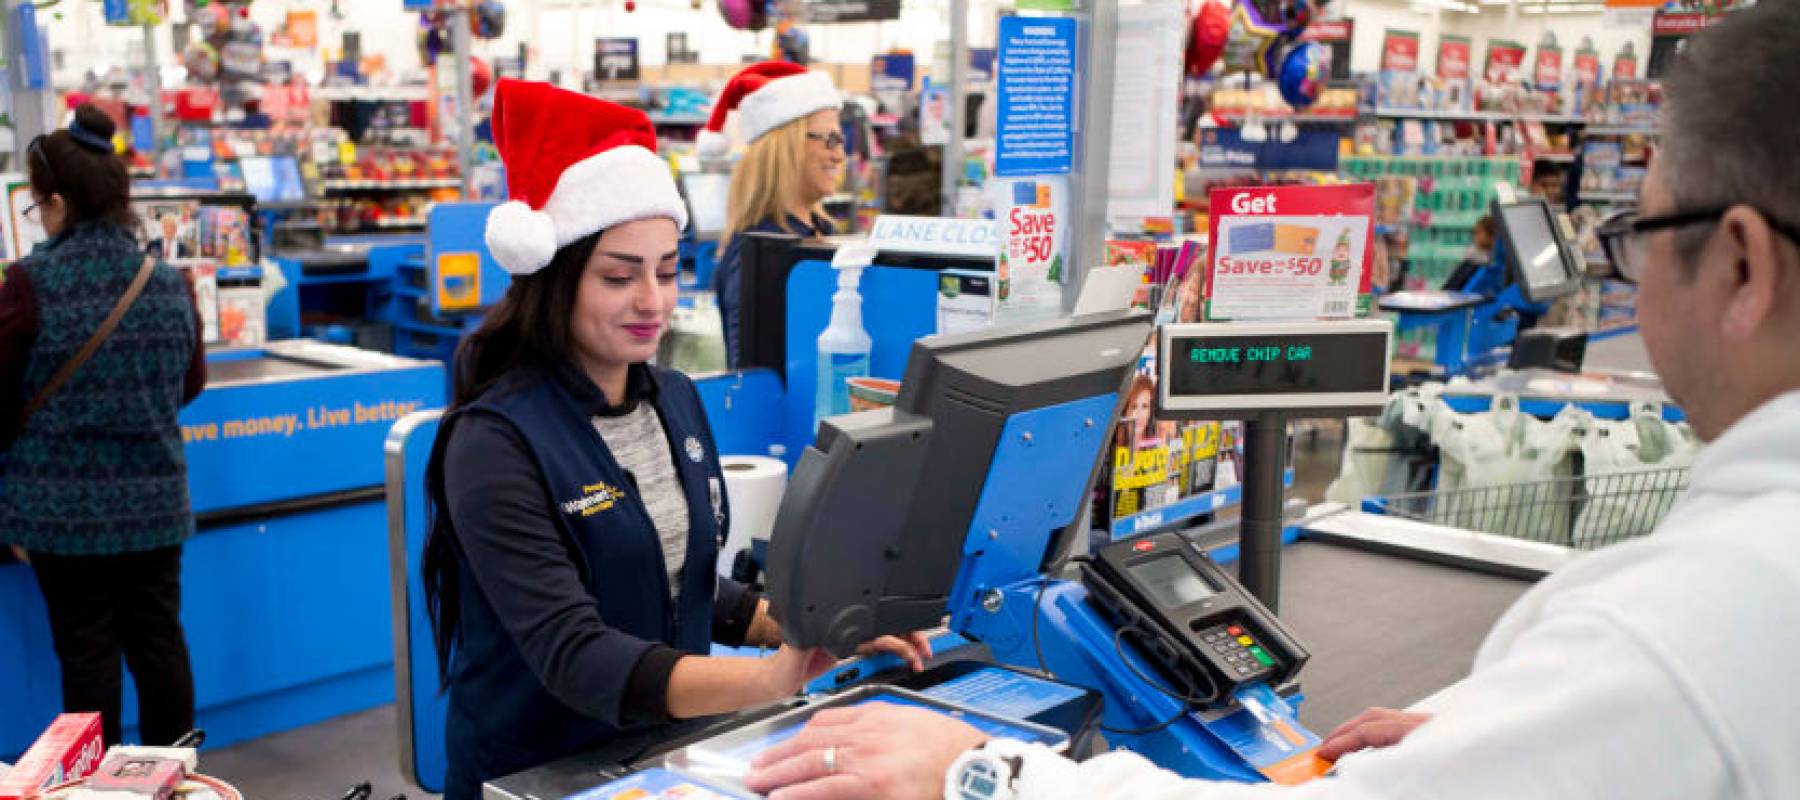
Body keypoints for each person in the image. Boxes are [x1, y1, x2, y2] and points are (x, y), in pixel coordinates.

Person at [742, 5, 1800, 797]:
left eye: (1635, 233)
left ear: (1743, 264)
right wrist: (1476, 735)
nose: (1628, 276)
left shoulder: (1679, 631)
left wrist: (978, 770)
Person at [423, 80, 928, 800]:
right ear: (554, 279)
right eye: (618, 276)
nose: (653, 301)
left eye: (666, 271)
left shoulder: (675, 399)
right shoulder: (493, 443)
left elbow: (678, 580)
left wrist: (811, 630)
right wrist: (768, 679)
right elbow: (578, 655)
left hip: (668, 759)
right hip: (538, 775)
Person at [0, 104, 206, 747]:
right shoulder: (169, 281)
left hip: (64, 513)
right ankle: (179, 782)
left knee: (87, 659)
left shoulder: (29, 284)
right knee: (160, 647)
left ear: (57, 202)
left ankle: (96, 791)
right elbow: (189, 384)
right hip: (155, 503)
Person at [697, 61, 846, 367]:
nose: (839, 154)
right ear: (784, 148)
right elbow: (751, 374)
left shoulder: (818, 231)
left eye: (841, 140)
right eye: (829, 139)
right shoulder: (759, 251)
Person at [1442, 215, 1496, 292]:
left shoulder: (1478, 262)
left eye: (1478, 232)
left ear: (1492, 236)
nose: (1475, 236)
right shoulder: (1474, 256)